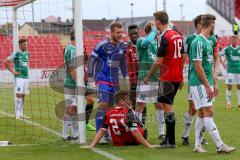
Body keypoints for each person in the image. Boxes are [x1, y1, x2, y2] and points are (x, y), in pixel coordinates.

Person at [189, 14, 235, 153]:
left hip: (206, 83)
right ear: (211, 25)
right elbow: (197, 66)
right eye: (214, 24)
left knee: (203, 113)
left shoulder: (209, 41)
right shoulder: (198, 42)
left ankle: (197, 145)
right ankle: (220, 145)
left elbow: (212, 61)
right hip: (198, 83)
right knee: (209, 111)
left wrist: (213, 81)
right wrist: (208, 86)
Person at [144, 11, 185, 148]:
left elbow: (159, 61)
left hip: (167, 77)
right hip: (177, 76)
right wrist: (182, 76)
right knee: (165, 105)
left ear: (158, 22)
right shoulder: (177, 35)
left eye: (155, 21)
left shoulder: (164, 36)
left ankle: (170, 141)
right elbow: (183, 56)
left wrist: (149, 75)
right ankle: (167, 137)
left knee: (168, 108)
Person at [181, 15, 220, 146]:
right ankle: (185, 135)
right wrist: (181, 75)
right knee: (193, 108)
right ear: (199, 25)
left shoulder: (213, 39)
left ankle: (200, 140)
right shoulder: (192, 39)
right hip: (197, 80)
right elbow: (184, 58)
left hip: (207, 80)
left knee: (204, 111)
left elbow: (216, 57)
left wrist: (215, 76)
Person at [88, 22, 129, 143]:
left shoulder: (122, 46)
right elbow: (91, 60)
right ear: (111, 33)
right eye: (118, 32)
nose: (120, 35)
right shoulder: (102, 45)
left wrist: (126, 76)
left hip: (115, 81)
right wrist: (90, 79)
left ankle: (107, 134)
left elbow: (122, 62)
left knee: (111, 108)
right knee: (103, 105)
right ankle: (99, 136)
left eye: (121, 32)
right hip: (103, 79)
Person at [81, 91, 158, 148]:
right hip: (133, 141)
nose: (130, 101)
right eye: (127, 99)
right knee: (140, 126)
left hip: (118, 142)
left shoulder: (108, 113)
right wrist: (149, 145)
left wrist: (92, 145)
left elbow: (102, 130)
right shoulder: (129, 112)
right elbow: (135, 132)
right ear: (121, 101)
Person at [134, 22, 165, 140]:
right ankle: (137, 131)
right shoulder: (141, 41)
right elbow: (148, 41)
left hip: (157, 79)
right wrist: (153, 31)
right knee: (140, 105)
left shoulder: (158, 44)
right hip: (144, 79)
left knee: (159, 105)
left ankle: (161, 132)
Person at [125, 24, 147, 125]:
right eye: (131, 34)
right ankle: (135, 127)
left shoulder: (144, 45)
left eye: (135, 33)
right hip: (133, 81)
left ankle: (142, 126)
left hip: (144, 80)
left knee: (143, 104)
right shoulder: (127, 48)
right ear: (128, 35)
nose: (134, 35)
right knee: (133, 104)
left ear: (139, 32)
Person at [4, 38, 30, 119]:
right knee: (18, 95)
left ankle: (21, 113)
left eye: (26, 44)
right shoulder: (16, 53)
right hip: (19, 77)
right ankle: (17, 114)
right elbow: (6, 61)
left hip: (26, 77)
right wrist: (12, 71)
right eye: (24, 44)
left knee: (23, 95)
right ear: (20, 45)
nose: (26, 46)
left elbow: (25, 64)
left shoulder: (27, 53)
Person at [220, 35, 240, 109]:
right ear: (230, 41)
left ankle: (239, 103)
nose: (234, 41)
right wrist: (223, 64)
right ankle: (228, 103)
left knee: (239, 86)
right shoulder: (227, 49)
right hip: (230, 71)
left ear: (237, 41)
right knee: (229, 86)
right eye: (232, 40)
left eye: (235, 40)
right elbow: (219, 55)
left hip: (239, 70)